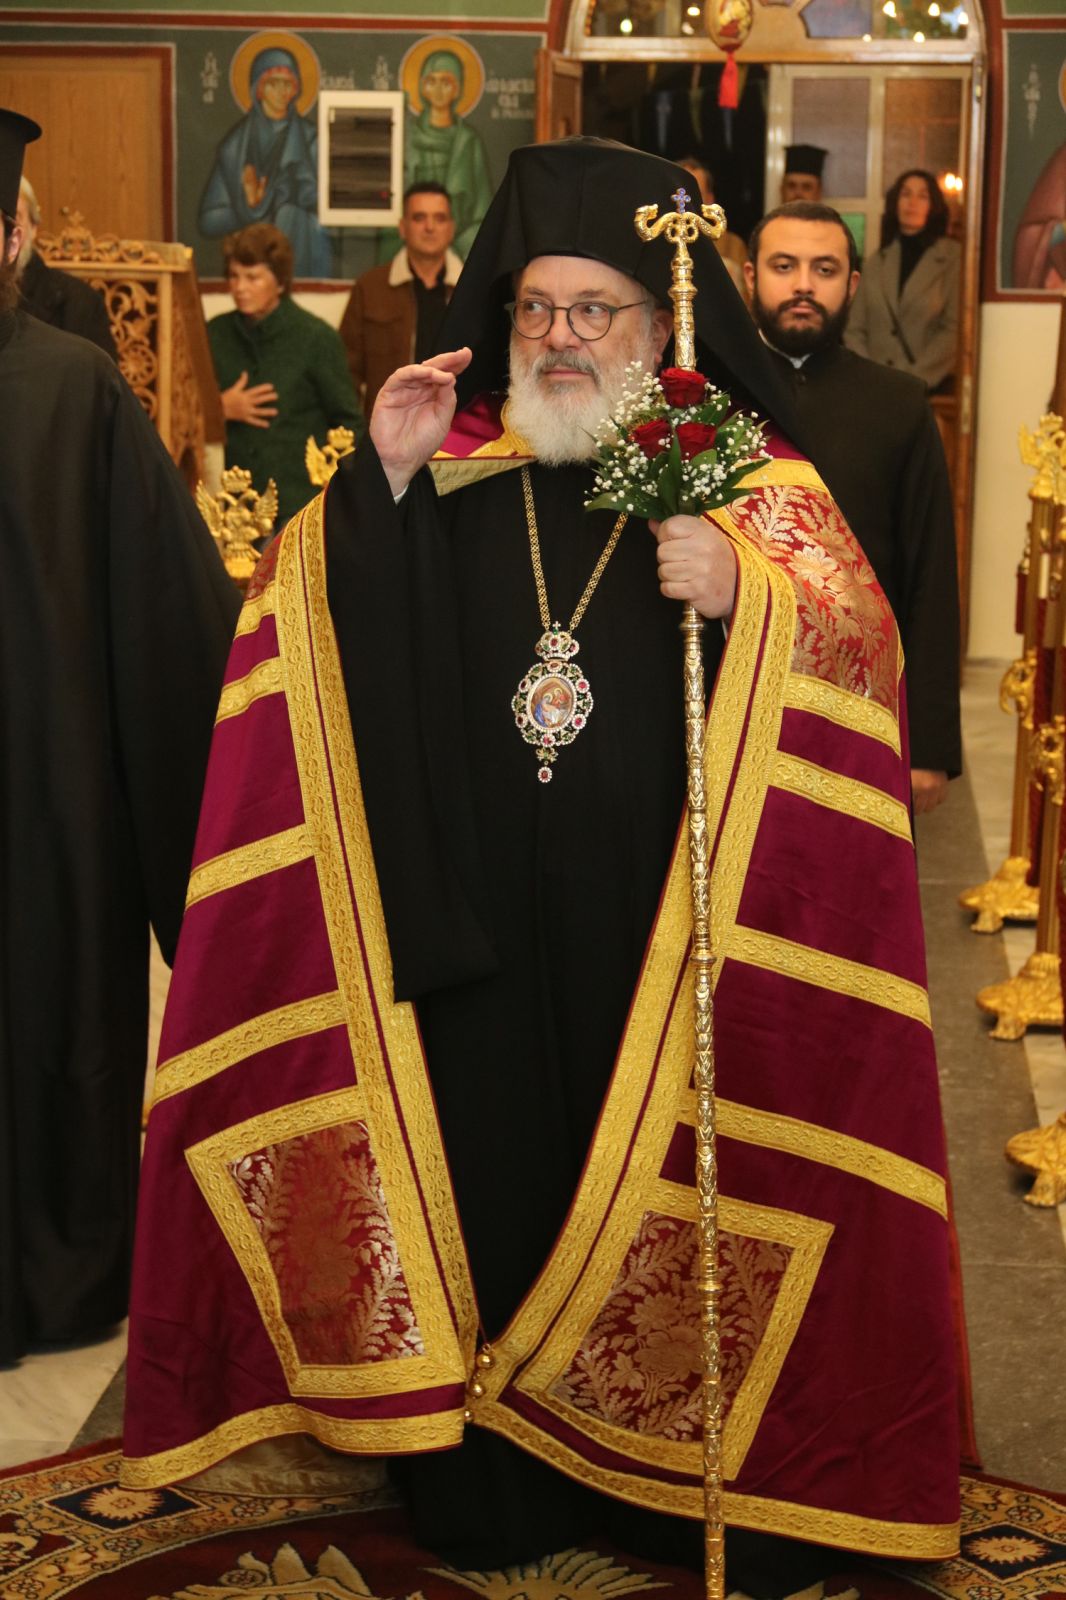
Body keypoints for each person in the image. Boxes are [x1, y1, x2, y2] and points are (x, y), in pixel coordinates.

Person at [123, 138, 960, 1598]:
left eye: (594, 310)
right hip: (477, 925)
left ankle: (664, 1470)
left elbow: (861, 642)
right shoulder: (447, 463)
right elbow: (312, 630)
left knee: (649, 1175)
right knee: (491, 1178)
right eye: (538, 309)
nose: (562, 338)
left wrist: (746, 598)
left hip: (662, 925)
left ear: (656, 325)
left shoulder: (735, 479)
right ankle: (486, 1472)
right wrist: (382, 479)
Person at [0, 106, 241, 1366]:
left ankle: (57, 1274)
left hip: (47, 806)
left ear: (12, 241)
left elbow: (165, 617)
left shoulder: (72, 385)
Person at [745, 200, 961, 813]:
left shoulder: (899, 404)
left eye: (825, 269)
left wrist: (930, 745)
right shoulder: (708, 398)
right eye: (784, 266)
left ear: (853, 284)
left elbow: (930, 578)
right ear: (750, 276)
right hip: (735, 696)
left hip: (863, 705)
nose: (804, 285)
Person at [207, 221, 364, 526]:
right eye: (234, 276)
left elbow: (349, 425)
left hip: (298, 503)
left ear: (279, 282)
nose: (239, 287)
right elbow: (182, 415)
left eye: (252, 277)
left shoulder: (316, 338)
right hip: (233, 505)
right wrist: (220, 409)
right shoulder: (214, 333)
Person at [199, 45, 332, 279]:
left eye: (287, 84)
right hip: (250, 264)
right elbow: (209, 220)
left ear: (296, 89)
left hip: (301, 254)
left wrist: (291, 195)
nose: (282, 91)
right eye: (273, 83)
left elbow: (330, 203)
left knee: (290, 213)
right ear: (258, 90)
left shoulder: (311, 139)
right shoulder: (235, 147)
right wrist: (249, 208)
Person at [339, 182, 463, 415]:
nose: (429, 227)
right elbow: (344, 374)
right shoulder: (370, 288)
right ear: (402, 228)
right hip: (389, 424)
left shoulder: (472, 288)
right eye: (419, 218)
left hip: (457, 424)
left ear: (451, 228)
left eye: (439, 218)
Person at [844, 168, 961, 394]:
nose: (912, 203)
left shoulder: (952, 258)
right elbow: (854, 329)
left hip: (925, 390)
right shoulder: (877, 261)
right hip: (874, 389)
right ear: (895, 203)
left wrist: (912, 380)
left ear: (934, 205)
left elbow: (952, 331)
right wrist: (870, 376)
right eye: (906, 194)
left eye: (922, 196)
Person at [405, 48, 493, 259]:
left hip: (461, 238)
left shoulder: (468, 141)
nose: (438, 90)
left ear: (457, 89)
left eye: (446, 83)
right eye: (431, 82)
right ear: (422, 87)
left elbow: (482, 207)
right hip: (411, 237)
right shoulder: (407, 136)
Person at [15, 176, 116, 358]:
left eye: (13, 218)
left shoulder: (81, 303)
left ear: (33, 227)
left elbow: (97, 375)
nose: (5, 233)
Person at [676, 154, 747, 295]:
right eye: (679, 194)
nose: (684, 201)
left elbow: (746, 300)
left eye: (694, 193)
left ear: (709, 199)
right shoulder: (653, 240)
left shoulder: (733, 245)